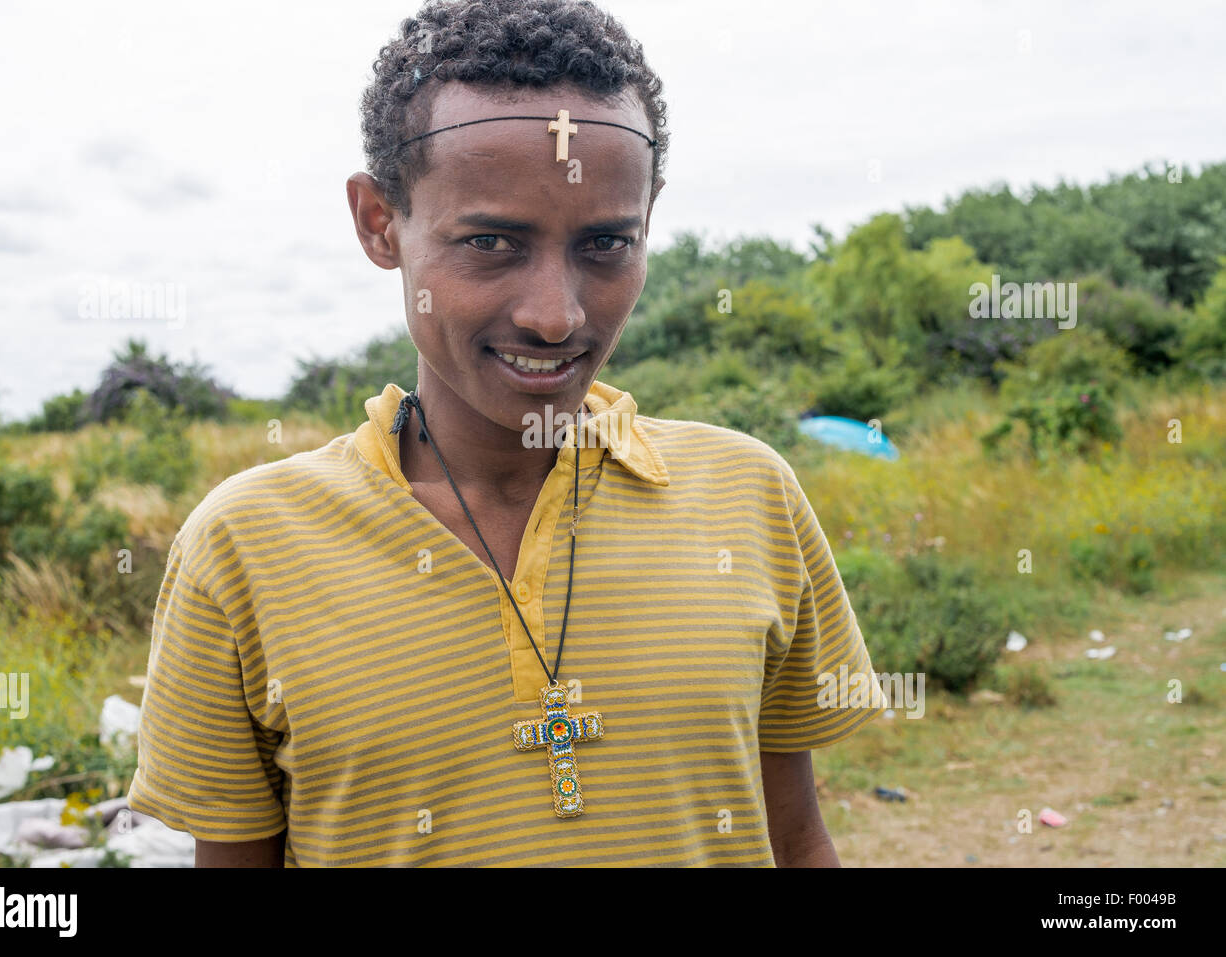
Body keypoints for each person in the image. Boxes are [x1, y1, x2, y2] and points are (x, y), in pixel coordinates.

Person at [127, 0, 886, 867]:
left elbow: (796, 840)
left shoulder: (747, 496)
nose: (556, 316)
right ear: (380, 222)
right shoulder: (246, 547)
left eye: (607, 243)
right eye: (490, 241)